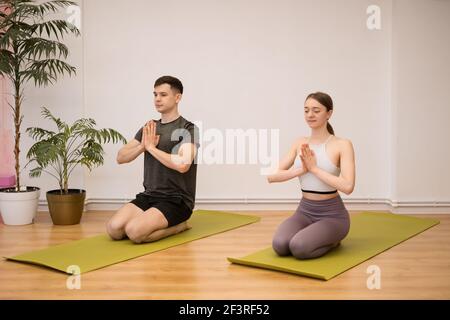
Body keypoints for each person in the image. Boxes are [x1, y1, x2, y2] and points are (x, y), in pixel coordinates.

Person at [106, 76, 200, 244]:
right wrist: (143, 146)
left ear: (177, 98)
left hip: (176, 201)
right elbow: (121, 157)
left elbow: (183, 164)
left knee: (134, 233)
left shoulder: (188, 128)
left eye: (163, 94)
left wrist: (151, 148)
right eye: (155, 94)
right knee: (114, 229)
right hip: (149, 196)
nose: (157, 99)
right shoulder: (149, 127)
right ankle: (148, 219)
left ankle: (179, 227)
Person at [267, 92, 355, 259]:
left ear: (329, 113)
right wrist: (301, 170)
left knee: (299, 247)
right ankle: (316, 236)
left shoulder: (342, 145)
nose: (310, 115)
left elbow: (348, 186)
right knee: (280, 245)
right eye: (306, 110)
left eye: (316, 110)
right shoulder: (299, 142)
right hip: (304, 212)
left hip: (333, 216)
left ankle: (333, 240)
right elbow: (271, 176)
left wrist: (314, 169)